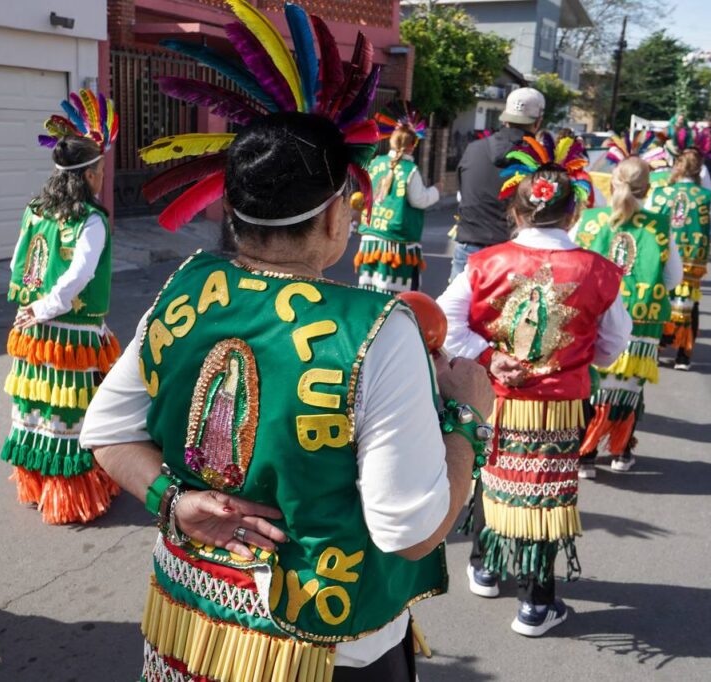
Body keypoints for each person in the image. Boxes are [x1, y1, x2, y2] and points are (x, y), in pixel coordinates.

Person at [82, 3, 494, 679]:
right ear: (337, 212)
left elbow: (106, 430)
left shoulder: (187, 286)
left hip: (194, 618)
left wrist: (173, 502)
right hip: (323, 646)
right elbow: (411, 530)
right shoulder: (378, 329)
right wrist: (464, 417)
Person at [439, 141, 630, 637]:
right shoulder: (599, 270)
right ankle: (536, 603)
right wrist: (576, 359)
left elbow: (442, 320)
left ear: (515, 209)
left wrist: (488, 356)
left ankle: (485, 564)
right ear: (574, 215)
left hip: (495, 399)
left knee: (491, 476)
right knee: (545, 500)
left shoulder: (484, 263)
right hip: (561, 406)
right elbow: (612, 344)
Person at [1, 88, 122, 525]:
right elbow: (78, 277)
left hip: (34, 330)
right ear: (89, 175)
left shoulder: (35, 210)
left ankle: (37, 486)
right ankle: (69, 496)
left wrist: (30, 305)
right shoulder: (91, 220)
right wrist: (49, 306)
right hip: (71, 332)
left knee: (36, 409)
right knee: (70, 411)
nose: (103, 178)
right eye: (101, 171)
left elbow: (18, 261)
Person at [574, 158, 683, 476]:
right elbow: (673, 278)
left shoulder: (590, 220)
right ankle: (620, 452)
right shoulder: (660, 225)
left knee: (594, 388)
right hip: (640, 323)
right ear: (648, 189)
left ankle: (586, 454)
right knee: (627, 389)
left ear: (611, 183)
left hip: (592, 321)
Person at [451, 87, 546, 282]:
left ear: (505, 118)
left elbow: (462, 192)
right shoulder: (538, 160)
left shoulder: (473, 149)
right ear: (538, 122)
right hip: (512, 254)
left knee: (454, 312)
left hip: (468, 248)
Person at [648, 149, 711, 370]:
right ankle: (683, 355)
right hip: (690, 261)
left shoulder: (660, 193)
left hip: (662, 257)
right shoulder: (706, 197)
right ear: (699, 170)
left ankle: (656, 348)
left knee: (660, 300)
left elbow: (646, 222)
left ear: (677, 166)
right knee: (689, 304)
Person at [355, 102, 442, 293]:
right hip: (396, 240)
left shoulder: (376, 162)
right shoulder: (410, 169)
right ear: (412, 145)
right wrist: (436, 190)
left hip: (372, 234)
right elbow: (419, 200)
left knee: (369, 289)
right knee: (393, 293)